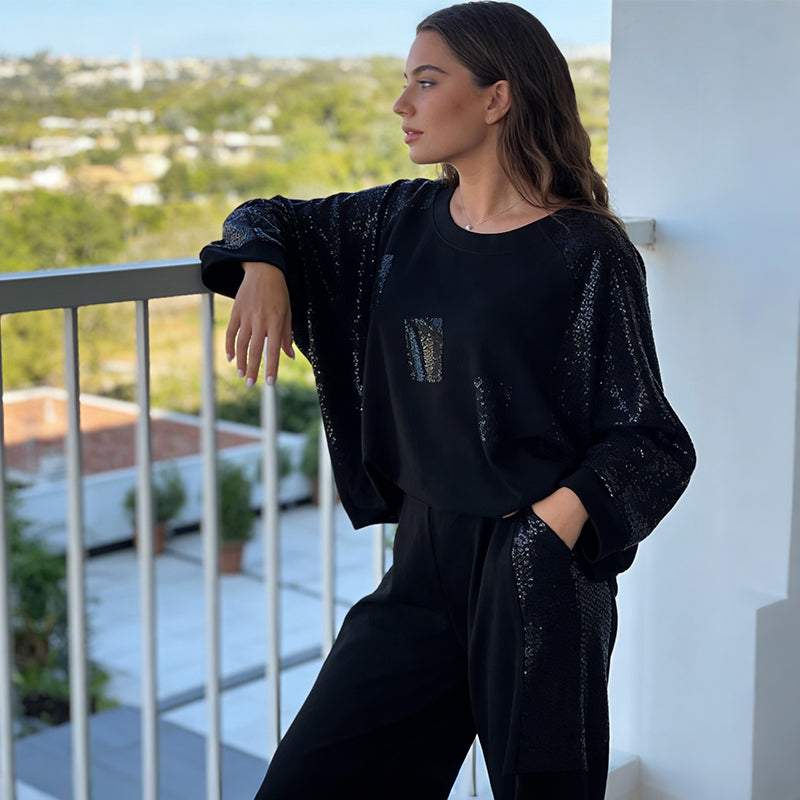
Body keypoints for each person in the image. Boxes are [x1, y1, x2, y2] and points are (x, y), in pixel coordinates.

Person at [199, 3, 696, 798]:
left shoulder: (586, 250)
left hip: (535, 566)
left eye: (426, 83)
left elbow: (650, 438)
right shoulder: (396, 221)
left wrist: (552, 527)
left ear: (497, 98)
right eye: (407, 83)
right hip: (422, 563)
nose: (402, 104)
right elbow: (267, 216)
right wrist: (262, 265)